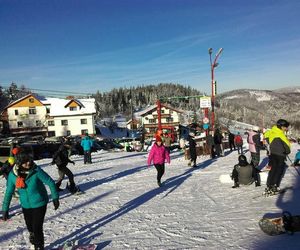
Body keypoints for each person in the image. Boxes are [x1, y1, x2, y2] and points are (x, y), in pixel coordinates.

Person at [2, 151, 59, 250]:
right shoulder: (12, 175)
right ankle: (32, 235)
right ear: (19, 163)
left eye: (29, 160)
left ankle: (39, 246)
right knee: (30, 226)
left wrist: (55, 198)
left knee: (37, 227)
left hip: (40, 202)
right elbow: (8, 192)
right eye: (25, 161)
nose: (28, 163)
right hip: (25, 205)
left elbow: (50, 182)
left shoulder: (36, 170)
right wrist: (5, 209)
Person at [265, 119, 291, 195]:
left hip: (273, 153)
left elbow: (266, 137)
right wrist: (286, 151)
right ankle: (275, 186)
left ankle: (269, 185)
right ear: (281, 126)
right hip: (280, 155)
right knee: (278, 171)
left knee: (273, 170)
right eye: (285, 127)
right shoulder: (280, 134)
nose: (286, 129)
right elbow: (287, 146)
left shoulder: (271, 131)